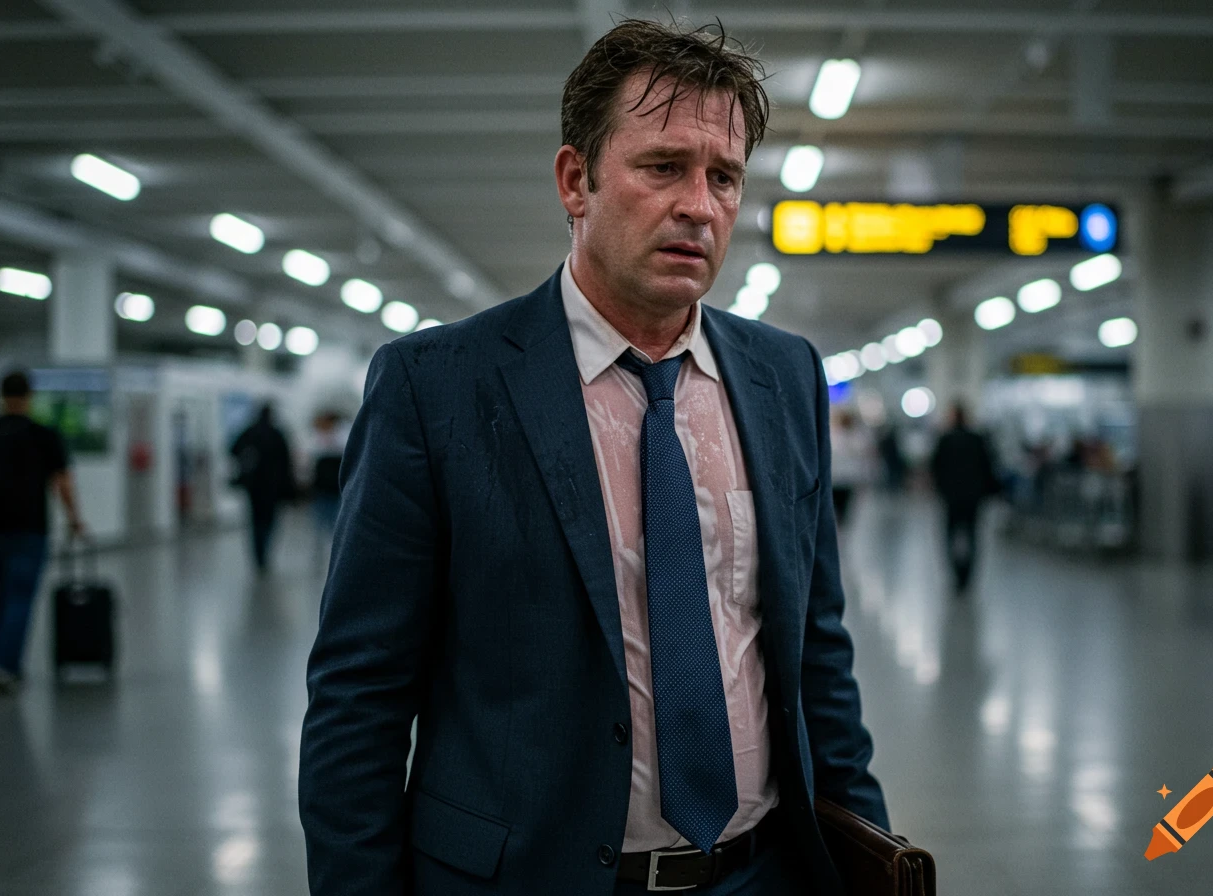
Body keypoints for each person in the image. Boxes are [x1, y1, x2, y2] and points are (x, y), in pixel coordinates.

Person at [299, 20, 888, 896]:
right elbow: (360, 695)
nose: (700, 203)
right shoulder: (439, 385)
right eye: (663, 167)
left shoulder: (783, 376)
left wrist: (865, 850)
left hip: (765, 874)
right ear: (577, 181)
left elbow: (817, 657)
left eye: (723, 177)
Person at [0, 370, 86, 693]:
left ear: (2, 395)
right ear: (30, 396)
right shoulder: (44, 435)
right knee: (19, 597)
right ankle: (6, 666)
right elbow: (61, 482)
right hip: (30, 527)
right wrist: (74, 518)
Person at [931, 402, 999, 593]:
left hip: (951, 496)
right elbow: (988, 466)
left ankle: (956, 573)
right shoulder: (977, 439)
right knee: (972, 534)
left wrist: (941, 488)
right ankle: (967, 575)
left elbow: (936, 466)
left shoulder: (945, 439)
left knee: (951, 534)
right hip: (973, 496)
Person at [230, 403, 295, 571]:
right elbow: (287, 462)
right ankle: (264, 553)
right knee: (269, 520)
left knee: (255, 520)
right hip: (273, 486)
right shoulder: (276, 434)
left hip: (253, 485)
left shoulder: (249, 432)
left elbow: (233, 450)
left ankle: (258, 554)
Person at [829, 408, 876, 527]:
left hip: (847, 478)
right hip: (836, 478)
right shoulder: (835, 435)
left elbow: (864, 454)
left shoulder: (856, 437)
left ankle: (840, 524)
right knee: (835, 505)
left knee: (843, 506)